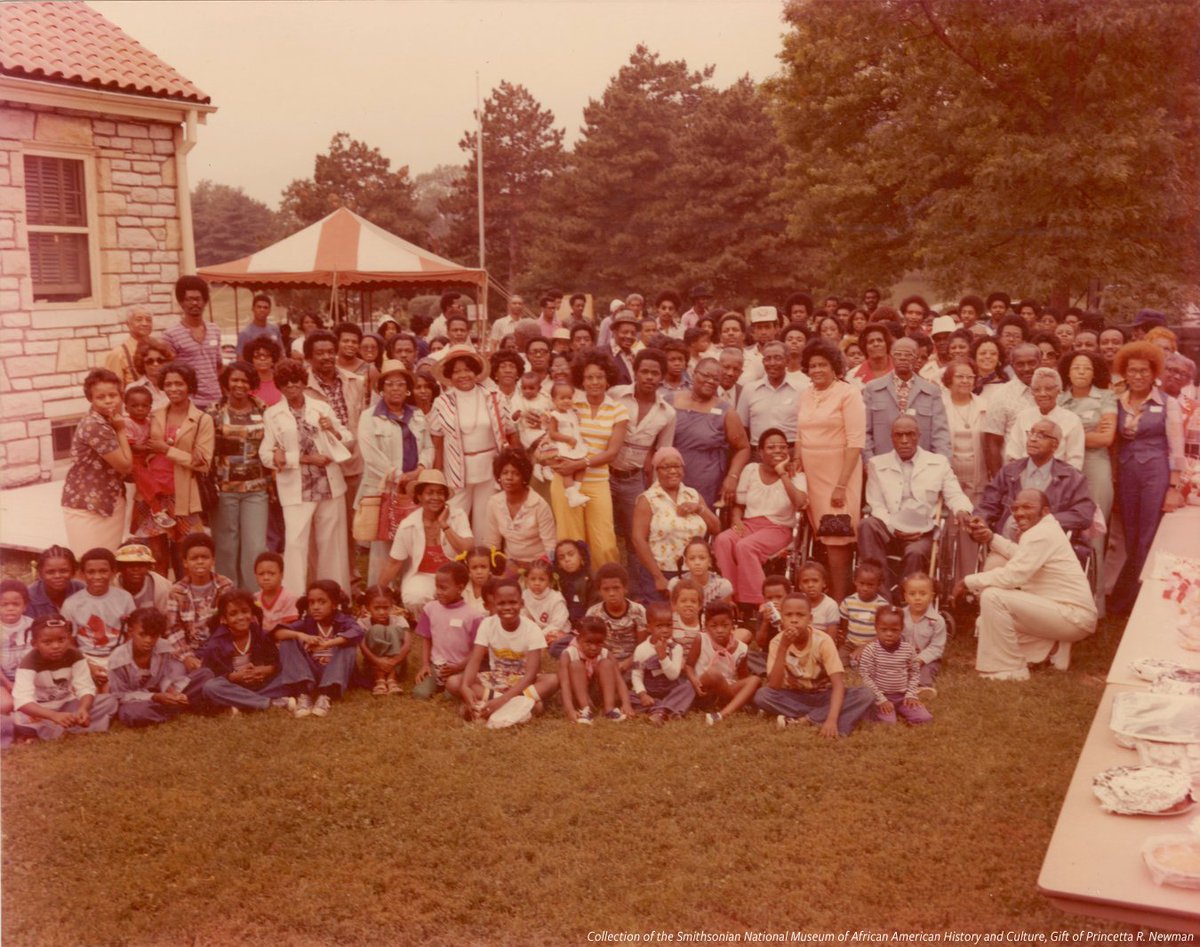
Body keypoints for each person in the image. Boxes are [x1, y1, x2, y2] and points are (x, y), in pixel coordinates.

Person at [958, 489, 1097, 680]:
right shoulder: (1045, 530)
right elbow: (1020, 556)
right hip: (1062, 613)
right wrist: (992, 538)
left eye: (1027, 507)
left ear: (1046, 511)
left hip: (1073, 617)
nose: (1019, 513)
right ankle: (1053, 649)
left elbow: (1012, 576)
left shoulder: (1041, 534)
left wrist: (968, 581)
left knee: (993, 596)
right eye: (1015, 508)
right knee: (985, 623)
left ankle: (1009, 669)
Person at [260, 357, 354, 598]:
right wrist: (301, 459)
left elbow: (347, 438)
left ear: (303, 383)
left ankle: (333, 596)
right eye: (286, 384)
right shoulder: (272, 414)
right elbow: (266, 455)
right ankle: (295, 599)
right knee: (295, 543)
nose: (292, 387)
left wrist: (331, 429)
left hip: (328, 484)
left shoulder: (321, 407)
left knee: (331, 542)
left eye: (296, 382)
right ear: (279, 387)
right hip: (296, 487)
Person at [1109, 341, 1187, 614]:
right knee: (1131, 535)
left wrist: (1173, 486)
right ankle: (1131, 594)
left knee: (1148, 535)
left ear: (1154, 372)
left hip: (1155, 472)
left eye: (1144, 370)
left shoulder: (1168, 403)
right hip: (1127, 473)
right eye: (1133, 370)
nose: (1138, 376)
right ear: (1124, 373)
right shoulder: (1117, 401)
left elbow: (1177, 449)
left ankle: (1136, 599)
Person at [859, 415, 973, 591]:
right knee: (866, 524)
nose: (904, 440)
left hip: (922, 531)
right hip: (889, 528)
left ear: (918, 436)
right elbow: (876, 504)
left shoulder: (938, 463)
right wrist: (893, 527)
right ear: (892, 438)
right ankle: (881, 597)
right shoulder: (877, 464)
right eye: (899, 435)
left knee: (915, 553)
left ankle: (906, 602)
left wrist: (962, 510)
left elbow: (954, 494)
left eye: (909, 434)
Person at [794, 339, 866, 602]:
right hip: (812, 475)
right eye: (812, 365)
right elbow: (801, 433)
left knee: (838, 539)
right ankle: (824, 601)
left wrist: (841, 485)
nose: (817, 370)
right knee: (822, 538)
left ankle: (839, 603)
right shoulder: (805, 393)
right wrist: (796, 458)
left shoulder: (848, 393)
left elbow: (856, 442)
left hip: (839, 474)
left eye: (822, 365)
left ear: (835, 366)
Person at [752, 593, 874, 738]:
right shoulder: (777, 642)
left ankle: (806, 720)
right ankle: (824, 716)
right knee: (762, 695)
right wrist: (783, 648)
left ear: (810, 619)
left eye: (800, 615)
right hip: (795, 696)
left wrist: (831, 720)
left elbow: (838, 684)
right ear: (781, 619)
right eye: (788, 615)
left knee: (866, 694)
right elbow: (774, 685)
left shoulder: (823, 641)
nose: (794, 620)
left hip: (824, 694)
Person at [546, 352, 628, 567]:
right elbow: (550, 432)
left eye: (599, 377)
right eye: (589, 377)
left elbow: (612, 452)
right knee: (570, 541)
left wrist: (582, 464)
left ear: (608, 379)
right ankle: (575, 593)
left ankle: (604, 591)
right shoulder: (572, 404)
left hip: (598, 482)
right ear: (581, 380)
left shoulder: (618, 409)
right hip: (566, 481)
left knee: (605, 544)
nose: (595, 382)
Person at [132, 361, 213, 575]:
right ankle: (160, 602)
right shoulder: (155, 414)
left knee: (184, 555)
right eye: (168, 384)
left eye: (179, 384)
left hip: (183, 494)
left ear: (189, 386)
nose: (173, 389)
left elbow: (204, 463)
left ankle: (182, 600)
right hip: (154, 495)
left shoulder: (202, 419)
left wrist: (166, 450)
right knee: (156, 555)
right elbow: (140, 444)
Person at [429, 345, 518, 539]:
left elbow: (511, 433)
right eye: (457, 371)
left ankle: (483, 564)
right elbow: (436, 442)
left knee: (486, 522)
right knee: (453, 518)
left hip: (489, 468)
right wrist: (437, 475)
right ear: (449, 376)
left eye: (467, 369)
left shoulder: (494, 397)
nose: (463, 375)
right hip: (456, 471)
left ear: (476, 372)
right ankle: (451, 563)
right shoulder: (442, 402)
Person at [356, 361, 433, 585]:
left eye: (401, 384)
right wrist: (400, 476)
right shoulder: (369, 417)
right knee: (384, 548)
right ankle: (380, 597)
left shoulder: (417, 415)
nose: (396, 388)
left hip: (414, 489)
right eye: (390, 384)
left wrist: (420, 470)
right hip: (385, 489)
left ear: (408, 388)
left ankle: (410, 593)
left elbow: (428, 446)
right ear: (381, 389)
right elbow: (371, 456)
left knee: (414, 540)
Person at [714, 429, 807, 607]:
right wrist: (736, 520)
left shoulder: (797, 475)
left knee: (746, 546)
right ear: (760, 452)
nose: (778, 451)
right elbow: (739, 504)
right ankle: (731, 597)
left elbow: (800, 503)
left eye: (782, 447)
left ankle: (761, 603)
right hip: (749, 524)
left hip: (778, 528)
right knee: (723, 540)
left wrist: (783, 473)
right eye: (771, 447)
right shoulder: (750, 470)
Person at [452, 577, 559, 722]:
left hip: (522, 682)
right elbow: (474, 661)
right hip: (497, 679)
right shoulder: (487, 624)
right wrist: (465, 686)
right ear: (494, 605)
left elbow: (531, 674)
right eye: (501, 603)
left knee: (553, 680)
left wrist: (501, 701)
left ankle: (487, 705)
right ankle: (523, 706)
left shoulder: (532, 629)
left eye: (513, 602)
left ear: (521, 604)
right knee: (454, 682)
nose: (507, 607)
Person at [974, 418, 1096, 542]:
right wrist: (980, 520)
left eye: (1041, 435)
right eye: (1031, 433)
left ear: (1055, 445)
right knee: (994, 561)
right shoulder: (1009, 472)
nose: (1032, 439)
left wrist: (1041, 522)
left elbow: (1083, 515)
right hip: (1007, 545)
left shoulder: (1072, 478)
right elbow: (988, 505)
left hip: (1049, 549)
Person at [207, 361, 269, 589]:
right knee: (226, 545)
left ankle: (254, 597)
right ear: (226, 383)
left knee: (255, 546)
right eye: (234, 380)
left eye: (244, 380)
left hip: (256, 489)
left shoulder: (263, 410)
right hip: (224, 490)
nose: (239, 385)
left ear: (251, 383)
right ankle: (227, 595)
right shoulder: (214, 412)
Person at [377, 470, 473, 615]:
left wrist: (444, 525)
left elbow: (466, 549)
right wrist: (377, 592)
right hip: (424, 575)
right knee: (414, 598)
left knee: (472, 604)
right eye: (430, 492)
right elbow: (394, 563)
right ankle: (433, 618)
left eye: (440, 493)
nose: (436, 497)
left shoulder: (458, 516)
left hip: (456, 578)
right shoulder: (408, 524)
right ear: (419, 496)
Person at [9, 615, 118, 742]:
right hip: (41, 711)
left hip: (67, 705)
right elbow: (22, 701)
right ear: (35, 644)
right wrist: (53, 716)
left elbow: (85, 687)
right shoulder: (29, 662)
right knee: (19, 719)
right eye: (47, 642)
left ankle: (55, 730)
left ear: (69, 639)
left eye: (61, 640)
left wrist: (83, 709)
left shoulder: (75, 656)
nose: (56, 646)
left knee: (109, 701)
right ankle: (68, 727)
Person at [630, 447, 720, 601]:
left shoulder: (692, 494)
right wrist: (658, 577)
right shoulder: (648, 499)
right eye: (666, 467)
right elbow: (638, 540)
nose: (672, 471)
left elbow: (716, 528)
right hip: (663, 573)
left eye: (677, 466)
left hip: (696, 573)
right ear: (657, 471)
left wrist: (699, 509)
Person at [61, 368, 132, 557]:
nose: (109, 400)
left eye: (113, 395)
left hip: (107, 500)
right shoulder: (96, 425)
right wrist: (121, 431)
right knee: (88, 562)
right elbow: (125, 465)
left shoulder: (109, 420)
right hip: (88, 506)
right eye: (101, 397)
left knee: (106, 564)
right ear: (90, 399)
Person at [609, 349, 677, 543]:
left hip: (633, 480)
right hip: (603, 474)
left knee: (636, 535)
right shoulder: (615, 395)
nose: (649, 377)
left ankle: (635, 574)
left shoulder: (668, 413)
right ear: (635, 372)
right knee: (603, 531)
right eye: (644, 371)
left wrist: (656, 491)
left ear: (662, 377)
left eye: (655, 373)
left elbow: (662, 455)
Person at [271, 579, 363, 718]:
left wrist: (328, 644)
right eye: (312, 602)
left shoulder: (344, 621)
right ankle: (303, 694)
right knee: (287, 640)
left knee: (347, 645)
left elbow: (358, 632)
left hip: (336, 672)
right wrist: (302, 635)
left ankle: (326, 695)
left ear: (334, 604)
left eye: (322, 602)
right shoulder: (307, 622)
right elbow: (278, 633)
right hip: (312, 672)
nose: (315, 607)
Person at [669, 356, 751, 511]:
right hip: (669, 473)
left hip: (704, 479)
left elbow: (743, 448)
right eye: (706, 375)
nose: (711, 381)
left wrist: (732, 477)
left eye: (716, 378)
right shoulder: (670, 401)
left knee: (698, 522)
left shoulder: (726, 411)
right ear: (693, 373)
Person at [107, 607, 212, 727]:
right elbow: (119, 696)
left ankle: (172, 706)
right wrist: (154, 697)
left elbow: (166, 676)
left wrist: (172, 692)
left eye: (154, 636)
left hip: (161, 694)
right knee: (131, 713)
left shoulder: (164, 647)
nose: (148, 640)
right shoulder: (118, 659)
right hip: (137, 701)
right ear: (130, 631)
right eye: (142, 635)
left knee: (205, 674)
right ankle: (176, 709)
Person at [198, 589, 288, 713]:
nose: (240, 617)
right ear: (224, 619)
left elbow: (276, 662)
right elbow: (209, 674)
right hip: (234, 687)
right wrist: (233, 677)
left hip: (261, 685)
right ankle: (268, 703)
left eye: (245, 611)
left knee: (288, 677)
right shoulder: (215, 643)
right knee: (211, 687)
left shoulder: (260, 634)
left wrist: (266, 670)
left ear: (252, 614)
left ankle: (242, 703)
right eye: (233, 614)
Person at [861, 337, 950, 460]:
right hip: (882, 463)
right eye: (898, 354)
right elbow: (864, 431)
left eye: (908, 354)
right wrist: (869, 461)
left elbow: (940, 434)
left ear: (916, 358)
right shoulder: (873, 388)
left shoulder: (931, 391)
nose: (903, 358)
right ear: (891, 357)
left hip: (922, 465)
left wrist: (942, 464)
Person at [60, 547, 134, 690]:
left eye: (103, 571)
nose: (97, 577)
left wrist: (119, 660)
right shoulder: (71, 603)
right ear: (82, 574)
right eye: (91, 572)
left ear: (113, 572)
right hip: (84, 657)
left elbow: (130, 634)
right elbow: (68, 641)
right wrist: (87, 664)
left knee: (112, 688)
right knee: (81, 690)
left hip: (117, 655)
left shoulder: (124, 598)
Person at [411, 562, 484, 700]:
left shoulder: (473, 616)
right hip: (436, 666)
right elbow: (426, 639)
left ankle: (450, 686)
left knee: (449, 697)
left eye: (443, 588)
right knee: (419, 694)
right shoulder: (430, 609)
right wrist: (425, 665)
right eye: (437, 587)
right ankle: (437, 683)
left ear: (460, 588)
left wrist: (458, 667)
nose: (438, 592)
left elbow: (478, 650)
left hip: (462, 668)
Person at [166, 533, 235, 672]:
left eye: (205, 557)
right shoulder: (177, 591)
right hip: (189, 649)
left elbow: (230, 622)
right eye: (194, 558)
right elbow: (173, 628)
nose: (200, 562)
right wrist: (187, 657)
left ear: (213, 560)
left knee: (217, 672)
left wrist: (212, 653)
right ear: (185, 562)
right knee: (176, 673)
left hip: (219, 647)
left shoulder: (225, 586)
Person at [858, 605, 932, 725]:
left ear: (901, 629)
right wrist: (881, 700)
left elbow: (914, 672)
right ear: (876, 628)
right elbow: (866, 677)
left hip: (902, 696)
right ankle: (870, 710)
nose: (889, 634)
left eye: (894, 630)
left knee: (925, 718)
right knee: (889, 722)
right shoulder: (871, 650)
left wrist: (911, 695)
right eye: (884, 629)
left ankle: (902, 710)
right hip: (880, 696)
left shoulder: (908, 649)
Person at [1004, 368, 1085, 469]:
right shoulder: (1023, 417)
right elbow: (1013, 454)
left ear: (1058, 390)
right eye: (1037, 389)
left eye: (1048, 389)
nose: (1042, 394)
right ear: (1032, 392)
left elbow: (1075, 460)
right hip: (1024, 477)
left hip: (1059, 480)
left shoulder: (1072, 420)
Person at [694, 602, 760, 725]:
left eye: (725, 625)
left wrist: (746, 687)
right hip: (705, 691)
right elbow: (688, 666)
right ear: (706, 626)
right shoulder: (701, 639)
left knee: (755, 680)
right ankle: (739, 704)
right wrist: (693, 681)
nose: (720, 630)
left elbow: (743, 676)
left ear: (733, 626)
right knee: (714, 673)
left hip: (728, 689)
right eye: (714, 626)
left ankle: (722, 715)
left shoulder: (741, 648)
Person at [982, 342, 1042, 477]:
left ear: (1040, 362)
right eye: (1020, 364)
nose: (1026, 368)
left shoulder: (1054, 391)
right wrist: (999, 481)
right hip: (1014, 475)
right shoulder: (1000, 396)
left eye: (1032, 363)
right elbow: (993, 443)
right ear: (1012, 365)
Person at [630, 602, 695, 724]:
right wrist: (643, 694)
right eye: (659, 626)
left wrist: (663, 657)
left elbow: (673, 675)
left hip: (670, 689)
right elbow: (636, 675)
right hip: (650, 691)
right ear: (649, 628)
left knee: (689, 687)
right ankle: (668, 709)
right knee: (630, 696)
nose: (665, 630)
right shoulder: (641, 649)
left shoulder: (676, 648)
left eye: (669, 626)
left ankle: (659, 710)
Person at [738, 340, 808, 454]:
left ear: (787, 361)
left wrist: (798, 456)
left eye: (778, 358)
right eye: (768, 358)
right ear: (763, 362)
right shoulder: (749, 389)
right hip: (758, 452)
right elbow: (742, 427)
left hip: (792, 451)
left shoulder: (802, 389)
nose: (772, 363)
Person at [559, 616, 632, 724]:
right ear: (578, 638)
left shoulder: (605, 653)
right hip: (576, 695)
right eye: (588, 643)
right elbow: (564, 684)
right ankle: (585, 710)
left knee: (606, 664)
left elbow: (619, 681)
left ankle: (609, 709)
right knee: (576, 665)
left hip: (597, 693)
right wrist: (570, 710)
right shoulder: (568, 654)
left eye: (599, 643)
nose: (594, 648)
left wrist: (626, 704)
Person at [163, 275, 222, 409]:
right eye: (189, 299)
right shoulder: (170, 335)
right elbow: (169, 373)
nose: (194, 303)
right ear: (182, 303)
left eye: (198, 299)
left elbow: (218, 366)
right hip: (189, 403)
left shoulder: (215, 330)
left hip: (215, 400)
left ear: (205, 301)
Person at [585, 562, 647, 677]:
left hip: (633, 659)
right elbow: (592, 645)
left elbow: (642, 646)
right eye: (606, 589)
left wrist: (627, 663)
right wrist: (610, 663)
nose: (611, 593)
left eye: (616, 588)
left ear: (625, 588)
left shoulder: (638, 611)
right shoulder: (593, 613)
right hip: (605, 661)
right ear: (599, 591)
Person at [358, 585, 412, 696]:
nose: (382, 612)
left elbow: (407, 645)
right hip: (373, 665)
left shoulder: (399, 620)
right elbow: (363, 647)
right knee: (376, 629)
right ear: (368, 607)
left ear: (392, 606)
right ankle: (380, 679)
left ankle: (392, 679)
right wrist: (378, 661)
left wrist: (393, 662)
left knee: (392, 629)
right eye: (377, 608)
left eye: (385, 607)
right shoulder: (363, 622)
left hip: (397, 664)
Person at [545, 380, 591, 507]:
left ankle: (575, 493)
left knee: (582, 467)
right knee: (568, 472)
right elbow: (552, 433)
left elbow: (576, 428)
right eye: (562, 398)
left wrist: (580, 439)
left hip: (576, 446)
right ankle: (571, 493)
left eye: (569, 398)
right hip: (565, 447)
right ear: (554, 400)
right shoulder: (555, 415)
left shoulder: (572, 413)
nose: (566, 401)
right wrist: (567, 439)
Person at [900, 572, 945, 698]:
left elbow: (936, 647)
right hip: (904, 655)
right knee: (894, 668)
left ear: (931, 596)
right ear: (906, 596)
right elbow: (897, 638)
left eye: (923, 594)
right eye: (912, 594)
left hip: (927, 659)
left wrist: (919, 660)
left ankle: (923, 688)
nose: (917, 598)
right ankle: (896, 686)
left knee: (925, 671)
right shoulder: (900, 616)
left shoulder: (937, 620)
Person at [838, 560, 890, 666]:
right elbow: (844, 625)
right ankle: (855, 659)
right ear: (855, 581)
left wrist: (865, 646)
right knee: (839, 661)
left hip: (873, 644)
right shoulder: (848, 602)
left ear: (879, 585)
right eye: (861, 583)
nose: (865, 588)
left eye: (870, 585)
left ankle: (861, 659)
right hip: (851, 644)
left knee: (877, 663)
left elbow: (884, 631)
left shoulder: (882, 605)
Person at [668, 537, 733, 608]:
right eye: (692, 558)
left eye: (702, 558)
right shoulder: (675, 584)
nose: (697, 563)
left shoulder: (722, 586)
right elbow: (675, 613)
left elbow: (723, 615)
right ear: (686, 562)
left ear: (709, 561)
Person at [521, 559, 570, 647]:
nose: (537, 583)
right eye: (533, 579)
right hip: (535, 630)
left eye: (542, 579)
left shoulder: (556, 599)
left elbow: (557, 623)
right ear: (527, 579)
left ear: (550, 581)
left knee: (554, 639)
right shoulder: (525, 595)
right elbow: (523, 616)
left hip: (554, 630)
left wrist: (539, 635)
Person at [103, 306, 155, 388]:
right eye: (139, 319)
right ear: (128, 324)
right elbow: (114, 388)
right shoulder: (118, 354)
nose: (145, 323)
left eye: (148, 320)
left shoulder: (158, 349)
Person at [25, 546, 82, 620]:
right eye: (50, 572)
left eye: (63, 571)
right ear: (40, 574)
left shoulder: (80, 589)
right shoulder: (28, 596)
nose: (57, 576)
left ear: (73, 571)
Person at [253, 551, 299, 635]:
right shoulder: (254, 599)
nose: (266, 578)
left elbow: (290, 627)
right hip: (260, 642)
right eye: (261, 574)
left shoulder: (289, 598)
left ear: (282, 575)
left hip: (282, 641)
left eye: (271, 573)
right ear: (255, 575)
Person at [127, 338, 176, 411]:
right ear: (142, 363)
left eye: (160, 360)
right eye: (150, 361)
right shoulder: (133, 389)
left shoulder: (174, 386)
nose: (155, 364)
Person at [235, 293, 284, 359]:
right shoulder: (245, 333)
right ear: (253, 309)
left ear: (269, 310)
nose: (262, 310)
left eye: (265, 307)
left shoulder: (275, 329)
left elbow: (281, 353)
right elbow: (240, 359)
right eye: (259, 307)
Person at [848, 322, 893, 387]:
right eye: (871, 341)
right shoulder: (852, 376)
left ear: (887, 344)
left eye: (880, 340)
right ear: (865, 347)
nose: (876, 344)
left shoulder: (901, 371)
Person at [244, 335, 283, 407]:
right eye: (257, 356)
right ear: (251, 359)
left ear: (273, 358)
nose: (262, 359)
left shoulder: (282, 380)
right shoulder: (246, 382)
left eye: (267, 355)